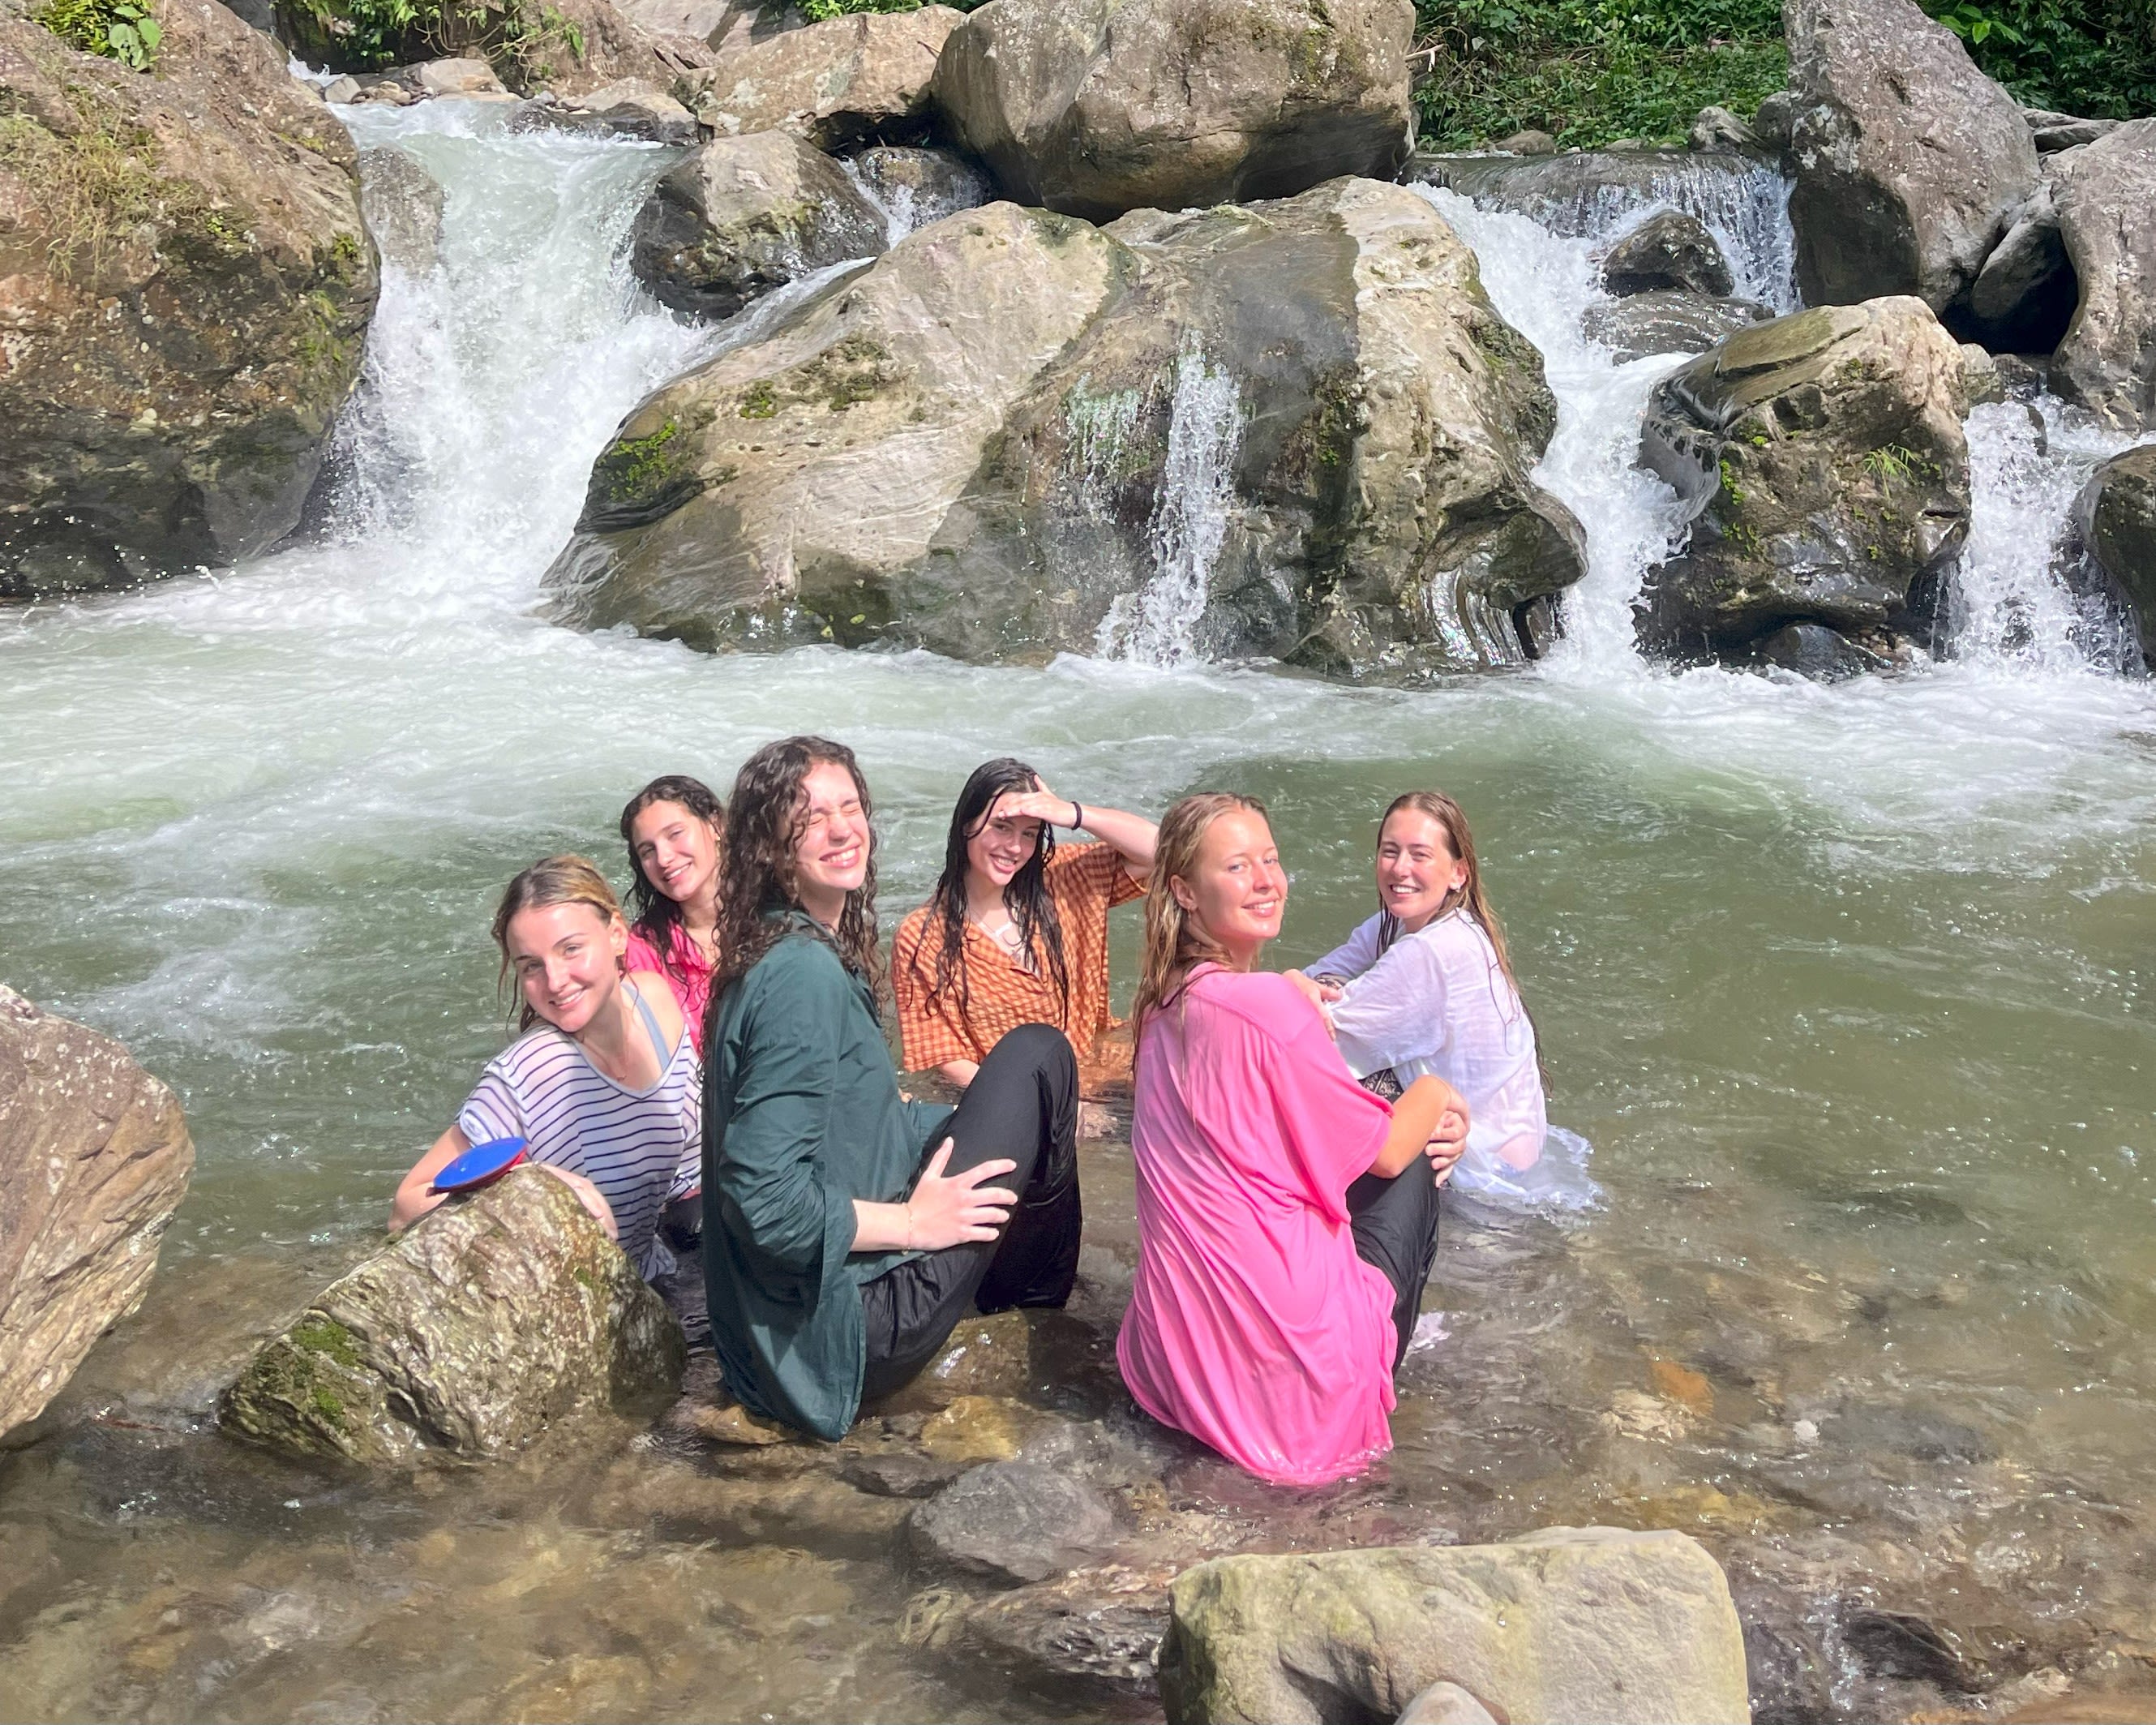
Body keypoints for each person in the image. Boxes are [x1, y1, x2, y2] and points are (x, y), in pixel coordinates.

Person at [701, 736, 1082, 1440]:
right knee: (1037, 1055)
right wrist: (914, 1224)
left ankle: (1015, 1286)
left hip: (788, 1327)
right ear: (766, 843)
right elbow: (762, 1201)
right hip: (848, 1333)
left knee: (1011, 1094)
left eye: (849, 807)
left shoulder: (778, 944)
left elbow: (856, 1122)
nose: (841, 829)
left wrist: (975, 1121)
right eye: (810, 817)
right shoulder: (801, 977)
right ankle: (1030, 1307)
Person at [1116, 793, 1469, 1487]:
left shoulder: (1161, 1003)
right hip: (1296, 1393)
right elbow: (1385, 1154)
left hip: (1171, 1365)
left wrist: (1285, 990)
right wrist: (1438, 1094)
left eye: (1270, 860)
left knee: (1364, 1121)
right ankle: (1383, 1354)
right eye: (1237, 866)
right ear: (1183, 891)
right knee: (1412, 1141)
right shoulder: (1271, 1008)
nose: (1265, 881)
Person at [391, 856, 701, 1281]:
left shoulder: (653, 1001)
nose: (555, 981)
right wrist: (530, 1186)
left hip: (659, 1277)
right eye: (531, 966)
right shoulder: (532, 1071)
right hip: (586, 1301)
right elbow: (405, 1208)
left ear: (616, 934)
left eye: (571, 949)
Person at [1292, 792, 1598, 1212]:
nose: (1400, 868)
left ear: (1458, 872)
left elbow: (1308, 1040)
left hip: (1485, 1188)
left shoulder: (1432, 952)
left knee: (1313, 1073)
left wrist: (1291, 984)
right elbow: (1325, 977)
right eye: (1390, 852)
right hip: (1516, 1156)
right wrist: (1302, 984)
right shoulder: (1427, 922)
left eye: (1420, 855)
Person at [892, 760, 1155, 1090]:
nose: (1015, 847)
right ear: (966, 824)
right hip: (1017, 1094)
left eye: (1029, 833)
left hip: (1104, 1070)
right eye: (1002, 827)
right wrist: (1047, 1108)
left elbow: (1164, 851)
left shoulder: (1063, 877)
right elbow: (946, 1057)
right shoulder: (924, 936)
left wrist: (1074, 814)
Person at [619, 775, 725, 1052]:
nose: (664, 859)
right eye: (648, 851)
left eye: (675, 834)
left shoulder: (777, 917)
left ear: (716, 825)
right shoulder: (641, 953)